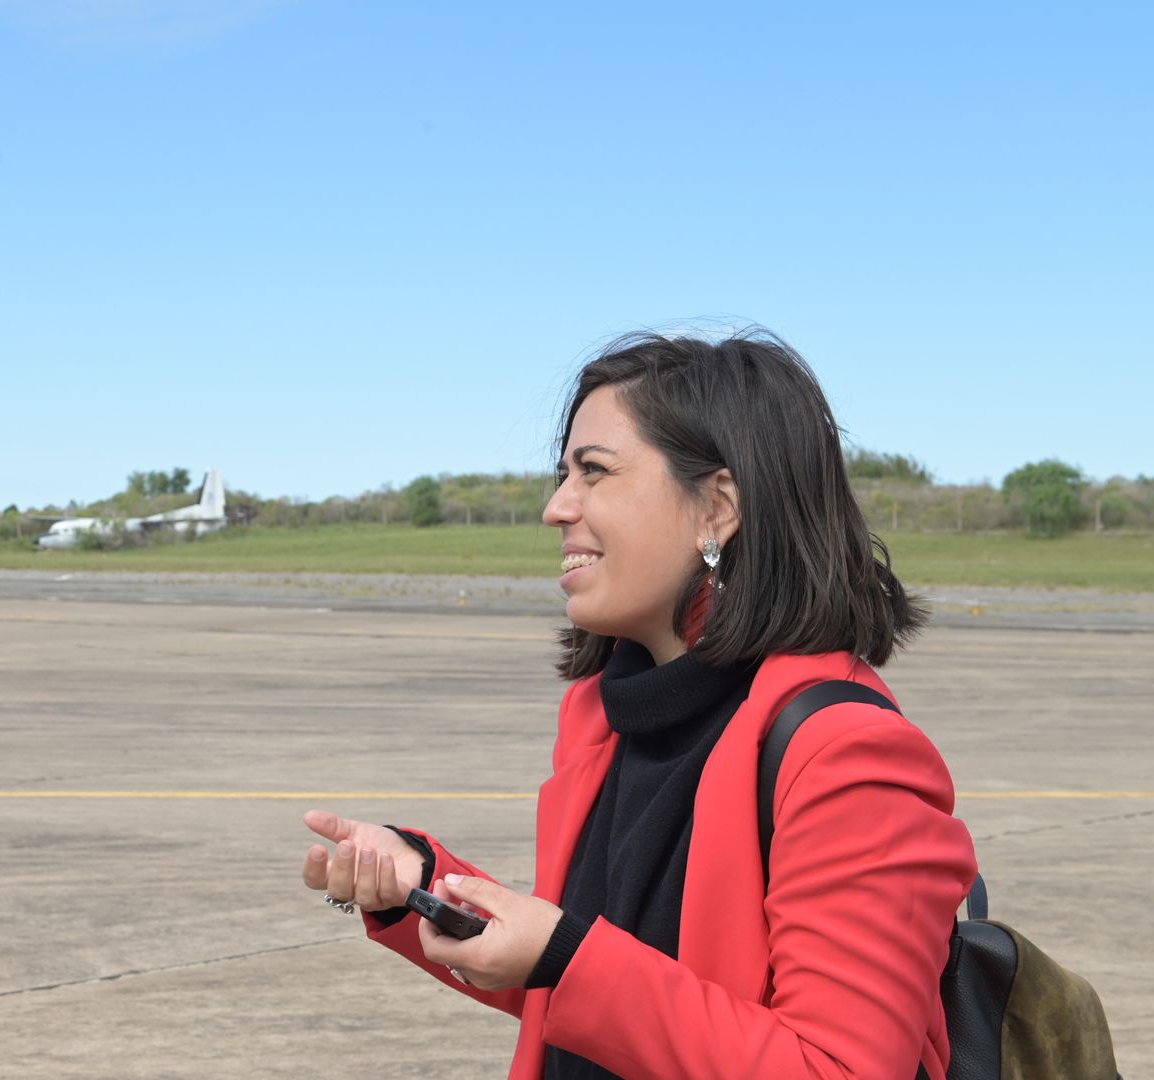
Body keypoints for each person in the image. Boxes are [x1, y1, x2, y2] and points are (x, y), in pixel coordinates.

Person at [300, 332, 977, 1080]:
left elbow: (836, 1067)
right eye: (563, 475)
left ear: (716, 509)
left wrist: (565, 954)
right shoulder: (605, 717)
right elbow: (607, 1006)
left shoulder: (842, 751)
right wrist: (425, 890)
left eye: (594, 472)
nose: (556, 508)